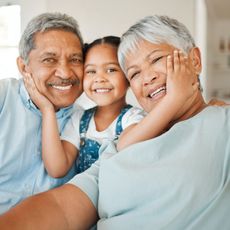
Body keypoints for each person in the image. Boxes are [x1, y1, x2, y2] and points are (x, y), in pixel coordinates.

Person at [1, 15, 230, 230]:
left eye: (157, 59)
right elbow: (61, 207)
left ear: (195, 61)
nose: (147, 78)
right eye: (135, 73)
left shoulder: (222, 122)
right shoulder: (116, 146)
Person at [23, 36, 146, 178]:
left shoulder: (135, 119)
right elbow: (57, 169)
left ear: (128, 75)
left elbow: (125, 148)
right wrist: (47, 110)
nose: (99, 78)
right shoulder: (80, 120)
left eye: (111, 70)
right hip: (85, 198)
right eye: (91, 71)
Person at [0, 12, 84, 214]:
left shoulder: (84, 119)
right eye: (49, 60)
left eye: (75, 59)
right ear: (23, 67)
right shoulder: (3, 97)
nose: (65, 73)